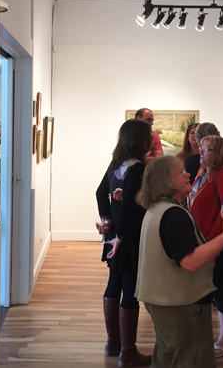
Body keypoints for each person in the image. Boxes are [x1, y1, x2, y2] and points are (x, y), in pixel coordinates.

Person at [135, 156, 223, 368]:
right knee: (192, 360)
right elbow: (190, 261)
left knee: (168, 358)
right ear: (166, 181)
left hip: (165, 301)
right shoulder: (173, 215)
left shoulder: (157, 210)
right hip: (179, 304)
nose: (189, 174)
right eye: (181, 172)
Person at [95, 120, 153, 367]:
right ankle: (128, 352)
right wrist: (121, 233)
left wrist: (107, 221)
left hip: (114, 236)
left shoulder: (115, 165)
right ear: (141, 140)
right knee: (129, 289)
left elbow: (100, 193)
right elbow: (131, 205)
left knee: (113, 284)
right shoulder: (139, 169)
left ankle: (113, 344)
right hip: (129, 238)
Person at [188, 135, 223, 359]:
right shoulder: (201, 173)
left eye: (207, 149)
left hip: (214, 243)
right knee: (204, 290)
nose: (201, 152)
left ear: (219, 154)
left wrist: (214, 238)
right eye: (201, 148)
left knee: (220, 291)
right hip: (200, 242)